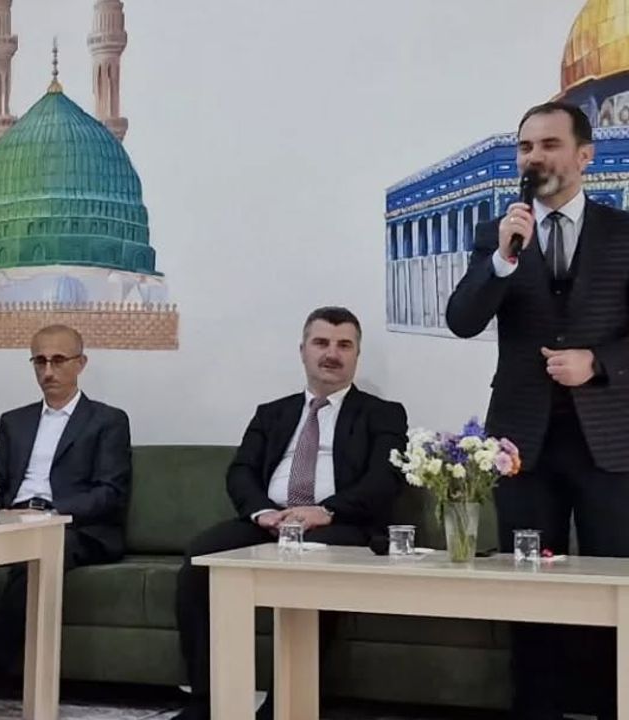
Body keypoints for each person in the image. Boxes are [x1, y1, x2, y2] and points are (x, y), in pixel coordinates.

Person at [447, 101, 629, 719]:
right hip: (522, 444)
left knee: (614, 588)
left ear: (585, 155)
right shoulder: (497, 235)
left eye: (549, 145)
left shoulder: (623, 233)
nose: (534, 158)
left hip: (609, 442)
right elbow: (463, 319)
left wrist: (597, 362)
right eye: (525, 147)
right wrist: (502, 259)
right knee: (527, 590)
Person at [172, 307, 407, 720]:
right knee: (200, 560)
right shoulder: (272, 412)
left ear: (356, 355)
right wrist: (261, 512)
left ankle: (283, 706)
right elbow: (241, 470)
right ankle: (208, 701)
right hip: (270, 521)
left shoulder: (382, 413)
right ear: (303, 350)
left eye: (344, 345)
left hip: (336, 525)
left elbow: (383, 480)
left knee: (312, 561)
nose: (331, 354)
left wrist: (325, 510)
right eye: (321, 343)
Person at [0, 324, 132, 717]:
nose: (48, 371)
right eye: (40, 361)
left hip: (73, 527)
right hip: (11, 520)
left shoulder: (107, 420)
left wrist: (50, 511)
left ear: (81, 363)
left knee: (33, 565)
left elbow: (110, 492)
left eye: (58, 360)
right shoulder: (15, 421)